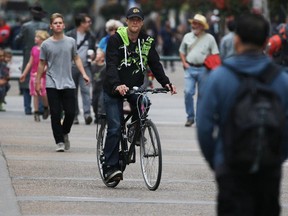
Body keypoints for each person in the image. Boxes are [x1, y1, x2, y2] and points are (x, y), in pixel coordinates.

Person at [197, 13, 288, 216]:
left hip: (230, 166)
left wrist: (217, 161)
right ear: (266, 42)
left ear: (236, 40)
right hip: (269, 169)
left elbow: (204, 127)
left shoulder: (219, 77)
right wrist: (276, 156)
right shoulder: (281, 80)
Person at [103, 6, 177, 183]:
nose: (135, 22)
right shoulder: (115, 40)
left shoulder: (147, 41)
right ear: (127, 21)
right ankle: (110, 168)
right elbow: (111, 65)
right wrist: (117, 84)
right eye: (132, 19)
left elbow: (155, 63)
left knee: (144, 101)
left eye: (138, 20)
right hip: (113, 89)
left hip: (133, 88)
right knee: (114, 127)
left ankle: (135, 129)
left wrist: (166, 82)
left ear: (142, 23)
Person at [36, 13, 90, 152]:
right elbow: (41, 64)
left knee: (71, 113)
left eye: (60, 22)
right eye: (55, 23)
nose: (58, 25)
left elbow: (76, 58)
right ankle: (59, 141)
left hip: (68, 82)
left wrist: (84, 74)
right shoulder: (46, 44)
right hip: (51, 82)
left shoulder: (71, 41)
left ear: (64, 25)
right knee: (55, 113)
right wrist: (37, 82)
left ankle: (64, 132)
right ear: (51, 26)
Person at [179, 13, 219, 127]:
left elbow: (215, 54)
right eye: (193, 23)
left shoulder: (210, 38)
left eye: (196, 24)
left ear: (202, 26)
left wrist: (212, 66)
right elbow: (181, 51)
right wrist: (184, 62)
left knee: (202, 95)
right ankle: (190, 117)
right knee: (187, 92)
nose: (194, 25)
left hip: (204, 69)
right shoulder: (187, 36)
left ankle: (200, 118)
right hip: (190, 68)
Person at [15, 4, 49, 115]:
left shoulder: (25, 26)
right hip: (42, 55)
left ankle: (27, 108)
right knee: (41, 82)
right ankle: (39, 108)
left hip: (28, 54)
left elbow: (17, 40)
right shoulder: (46, 26)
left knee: (26, 82)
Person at [66, 13, 96, 125]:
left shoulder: (91, 36)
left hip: (86, 67)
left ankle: (87, 114)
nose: (90, 23)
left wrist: (93, 55)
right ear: (81, 23)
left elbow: (94, 50)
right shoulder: (70, 35)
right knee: (72, 92)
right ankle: (74, 116)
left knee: (86, 90)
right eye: (88, 21)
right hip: (71, 67)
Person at [20, 30, 50, 122]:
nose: (35, 38)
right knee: (35, 94)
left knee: (44, 93)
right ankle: (36, 112)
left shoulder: (46, 49)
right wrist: (24, 74)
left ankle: (46, 107)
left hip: (43, 76)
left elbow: (48, 64)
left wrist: (41, 72)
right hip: (33, 74)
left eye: (37, 37)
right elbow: (30, 63)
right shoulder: (33, 49)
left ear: (42, 39)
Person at [91, 48, 106, 124]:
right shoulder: (93, 65)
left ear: (102, 58)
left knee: (101, 103)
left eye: (98, 54)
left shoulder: (105, 67)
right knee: (94, 102)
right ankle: (96, 117)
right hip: (95, 87)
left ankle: (101, 118)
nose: (96, 56)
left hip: (102, 88)